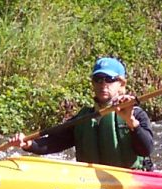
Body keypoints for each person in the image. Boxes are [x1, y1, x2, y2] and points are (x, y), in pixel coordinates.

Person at [8, 57, 154, 170]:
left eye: (109, 80)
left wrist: (130, 122)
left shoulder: (137, 114)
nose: (103, 85)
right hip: (91, 180)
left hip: (129, 177)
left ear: (121, 84)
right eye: (98, 79)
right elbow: (53, 143)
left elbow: (146, 149)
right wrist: (29, 144)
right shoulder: (83, 118)